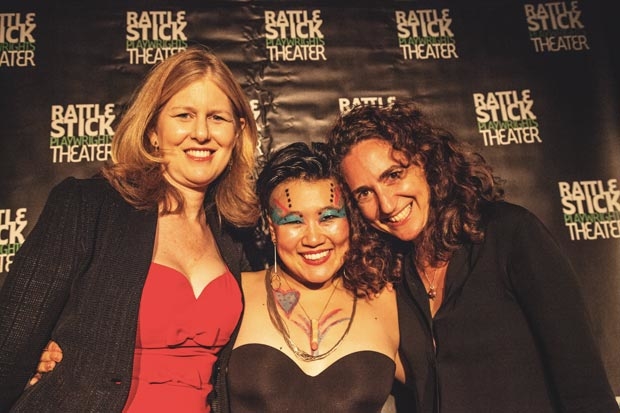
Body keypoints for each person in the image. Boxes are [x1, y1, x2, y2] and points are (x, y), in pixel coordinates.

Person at [33, 142, 404, 413]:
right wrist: (64, 356)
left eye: (328, 217)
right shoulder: (235, 294)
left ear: (350, 220)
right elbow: (149, 343)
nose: (313, 237)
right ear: (271, 229)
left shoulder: (387, 299)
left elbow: (437, 377)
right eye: (293, 220)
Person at [0, 45, 260, 412]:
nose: (201, 133)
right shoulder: (88, 206)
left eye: (217, 118)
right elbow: (11, 341)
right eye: (184, 115)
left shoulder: (236, 236)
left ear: (238, 132)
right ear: (153, 130)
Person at [326, 100, 619, 413]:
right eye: (364, 193)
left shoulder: (510, 234)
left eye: (393, 175)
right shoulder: (393, 276)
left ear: (425, 161)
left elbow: (585, 391)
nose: (386, 204)